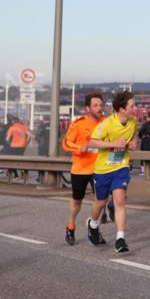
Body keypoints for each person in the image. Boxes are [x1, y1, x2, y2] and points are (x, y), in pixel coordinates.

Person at [87, 91, 138, 254]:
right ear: (122, 109)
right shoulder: (108, 124)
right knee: (101, 202)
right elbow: (92, 142)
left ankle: (120, 239)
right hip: (103, 169)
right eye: (132, 106)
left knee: (119, 201)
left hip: (121, 166)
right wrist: (113, 143)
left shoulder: (133, 122)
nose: (135, 108)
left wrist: (132, 145)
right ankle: (93, 224)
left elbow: (134, 138)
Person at [62, 94, 105, 246]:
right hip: (80, 169)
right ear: (88, 108)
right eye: (95, 105)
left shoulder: (105, 123)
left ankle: (94, 228)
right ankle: (70, 226)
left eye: (101, 105)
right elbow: (66, 143)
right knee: (77, 200)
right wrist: (81, 148)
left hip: (99, 168)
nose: (99, 108)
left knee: (101, 200)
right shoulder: (79, 124)